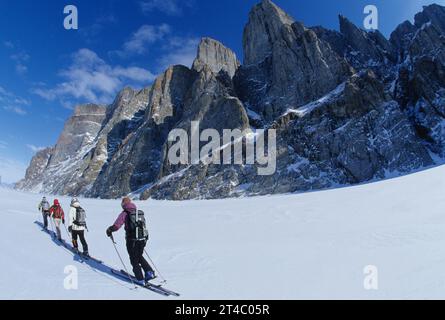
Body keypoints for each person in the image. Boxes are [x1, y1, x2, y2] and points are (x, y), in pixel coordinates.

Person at [106, 197, 155, 284]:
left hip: (131, 240)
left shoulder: (125, 213)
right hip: (142, 239)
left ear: (123, 205)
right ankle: (149, 272)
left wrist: (110, 230)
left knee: (133, 259)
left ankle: (140, 279)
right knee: (139, 256)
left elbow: (117, 226)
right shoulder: (138, 213)